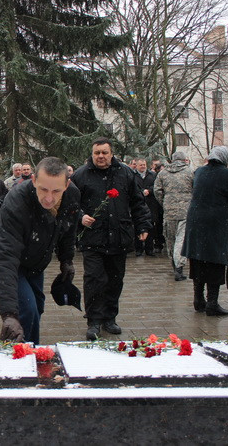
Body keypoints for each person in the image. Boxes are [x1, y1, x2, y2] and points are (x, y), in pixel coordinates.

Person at [0, 157, 80, 344]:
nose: (49, 198)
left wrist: (66, 260)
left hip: (37, 257)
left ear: (67, 185)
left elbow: (68, 229)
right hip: (8, 254)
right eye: (43, 189)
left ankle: (30, 347)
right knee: (25, 310)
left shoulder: (72, 196)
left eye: (56, 191)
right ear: (34, 180)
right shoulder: (17, 200)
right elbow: (5, 257)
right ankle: (20, 356)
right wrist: (8, 315)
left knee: (37, 306)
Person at [71, 137, 152, 341]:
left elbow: (137, 202)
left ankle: (109, 317)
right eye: (97, 153)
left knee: (115, 280)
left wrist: (143, 225)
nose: (100, 156)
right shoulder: (81, 175)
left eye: (104, 152)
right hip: (93, 238)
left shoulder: (125, 173)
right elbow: (70, 203)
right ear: (92, 154)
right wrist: (80, 216)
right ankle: (94, 320)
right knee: (94, 280)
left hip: (119, 237)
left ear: (111, 153)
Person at [182, 146, 228, 316]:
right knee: (216, 262)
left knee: (198, 260)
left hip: (195, 222)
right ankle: (212, 303)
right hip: (216, 224)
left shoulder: (199, 172)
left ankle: (198, 299)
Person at [154, 152, 193, 281]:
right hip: (185, 211)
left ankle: (174, 263)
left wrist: (165, 202)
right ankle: (179, 267)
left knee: (170, 239)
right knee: (181, 239)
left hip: (169, 211)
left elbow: (157, 191)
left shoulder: (163, 173)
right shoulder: (190, 172)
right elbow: (196, 189)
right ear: (184, 160)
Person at [133, 159, 159, 256]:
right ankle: (139, 248)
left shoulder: (152, 175)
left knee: (151, 226)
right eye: (141, 165)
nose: (143, 166)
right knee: (138, 226)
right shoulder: (133, 176)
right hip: (138, 204)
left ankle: (149, 248)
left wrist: (149, 190)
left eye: (144, 165)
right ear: (137, 166)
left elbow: (156, 186)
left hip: (150, 204)